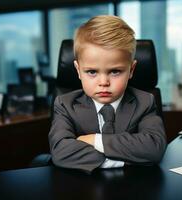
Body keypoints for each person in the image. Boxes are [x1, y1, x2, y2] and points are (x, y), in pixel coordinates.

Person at [48, 15, 167, 173]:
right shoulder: (65, 104)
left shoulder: (145, 102)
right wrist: (127, 159)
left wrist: (95, 140)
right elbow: (60, 152)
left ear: (131, 70)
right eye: (92, 72)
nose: (103, 82)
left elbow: (154, 148)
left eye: (115, 71)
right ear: (78, 70)